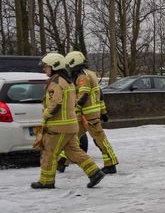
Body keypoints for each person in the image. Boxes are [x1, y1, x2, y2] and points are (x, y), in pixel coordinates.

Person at [32, 53, 104, 189]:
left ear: (54, 66)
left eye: (46, 67)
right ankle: (94, 172)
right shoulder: (68, 81)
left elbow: (56, 103)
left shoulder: (56, 82)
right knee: (74, 152)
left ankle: (46, 181)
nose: (44, 69)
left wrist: (45, 116)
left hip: (58, 128)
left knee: (49, 153)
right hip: (71, 125)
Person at [58, 51, 118, 174]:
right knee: (72, 138)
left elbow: (83, 95)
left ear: (74, 64)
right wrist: (103, 111)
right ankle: (62, 161)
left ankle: (111, 163)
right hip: (87, 115)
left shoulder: (82, 77)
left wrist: (74, 110)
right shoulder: (91, 74)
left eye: (69, 66)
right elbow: (99, 94)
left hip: (87, 116)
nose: (68, 69)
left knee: (99, 140)